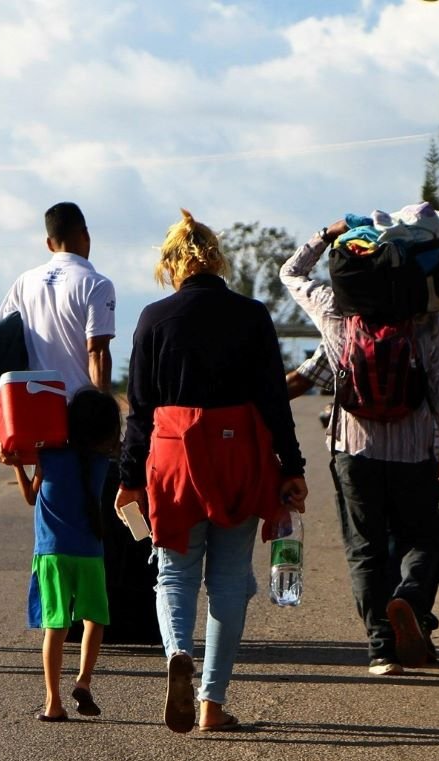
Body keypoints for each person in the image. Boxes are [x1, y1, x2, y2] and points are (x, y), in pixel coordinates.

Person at [116, 210, 307, 734]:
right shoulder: (251, 315)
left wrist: (130, 477)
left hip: (174, 456)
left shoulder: (154, 319)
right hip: (239, 456)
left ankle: (178, 652)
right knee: (229, 578)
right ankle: (211, 704)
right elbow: (274, 401)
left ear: (171, 264)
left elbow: (139, 410)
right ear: (216, 259)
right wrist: (292, 468)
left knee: (174, 573)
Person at [281, 217, 439, 676]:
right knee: (424, 539)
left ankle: (382, 649)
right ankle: (410, 599)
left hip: (354, 449)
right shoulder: (425, 314)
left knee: (364, 548)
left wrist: (324, 234)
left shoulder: (332, 310)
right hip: (415, 449)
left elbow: (291, 273)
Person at [1, 388, 120, 722]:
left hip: (52, 554)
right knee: (94, 619)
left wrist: (16, 467)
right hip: (89, 553)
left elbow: (29, 497)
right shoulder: (100, 464)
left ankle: (53, 702)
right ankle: (83, 680)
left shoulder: (49, 457)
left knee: (55, 627)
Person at [286, 319, 439, 474]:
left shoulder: (347, 320)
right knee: (413, 533)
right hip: (418, 456)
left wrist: (258, 399)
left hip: (357, 453)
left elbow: (304, 378)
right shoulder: (435, 317)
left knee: (363, 535)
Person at [0, 202, 115, 394]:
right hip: (79, 406)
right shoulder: (97, 285)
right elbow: (97, 351)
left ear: (49, 244)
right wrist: (103, 405)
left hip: (34, 401)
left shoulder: (25, 281)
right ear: (85, 234)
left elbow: (4, 338)